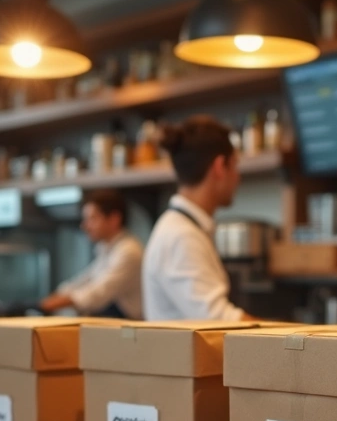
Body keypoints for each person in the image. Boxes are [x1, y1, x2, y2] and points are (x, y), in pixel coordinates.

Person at [142, 115, 253, 321]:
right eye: (235, 165)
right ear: (220, 167)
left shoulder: (182, 227)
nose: (238, 177)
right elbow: (221, 322)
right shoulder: (181, 235)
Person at [40, 189, 144, 319]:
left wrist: (53, 303)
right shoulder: (107, 248)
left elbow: (98, 293)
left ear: (114, 219)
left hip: (130, 330)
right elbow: (86, 280)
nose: (85, 226)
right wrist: (56, 296)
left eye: (92, 219)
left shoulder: (128, 251)